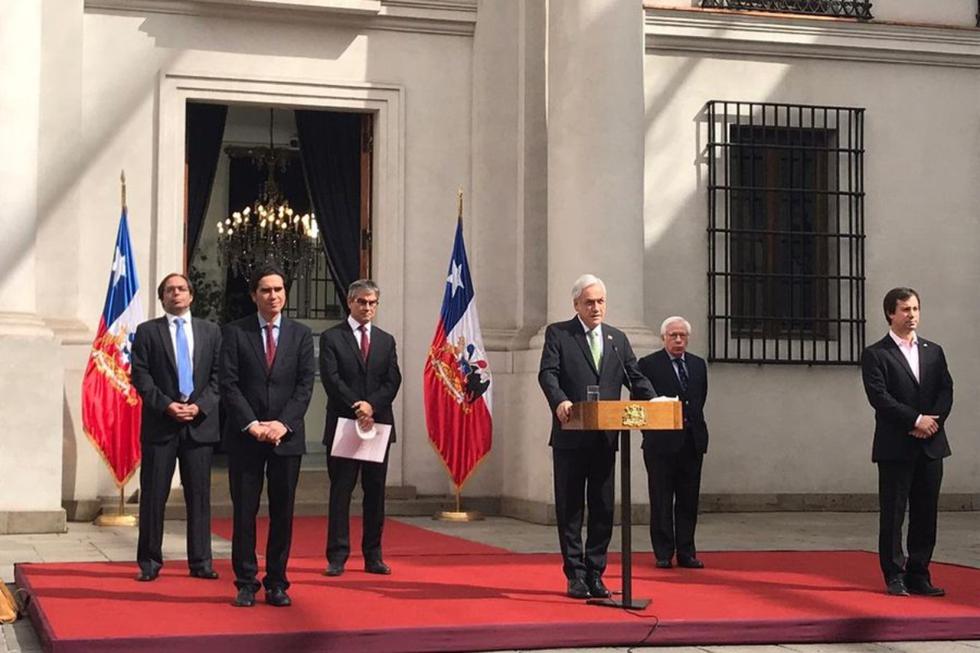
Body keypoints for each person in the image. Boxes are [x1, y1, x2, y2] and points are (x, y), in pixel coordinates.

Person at [538, 274, 655, 599]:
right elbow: (548, 372)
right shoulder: (559, 333)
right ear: (576, 304)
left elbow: (635, 376)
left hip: (605, 437)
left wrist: (656, 401)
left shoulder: (617, 339)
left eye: (601, 301)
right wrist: (560, 400)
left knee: (603, 508)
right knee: (571, 507)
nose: (596, 307)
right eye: (589, 302)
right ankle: (575, 575)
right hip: (571, 435)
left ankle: (596, 573)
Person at [220, 264, 315, 608]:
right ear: (254, 296)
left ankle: (277, 582)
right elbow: (228, 384)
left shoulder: (301, 334)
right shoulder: (234, 333)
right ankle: (246, 582)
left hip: (286, 439)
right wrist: (253, 424)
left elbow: (305, 386)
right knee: (244, 512)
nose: (273, 296)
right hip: (246, 437)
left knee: (282, 513)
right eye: (265, 290)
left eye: (278, 290)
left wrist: (282, 424)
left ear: (285, 293)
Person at [861, 287, 953, 597]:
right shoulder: (876, 354)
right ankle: (894, 575)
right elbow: (880, 398)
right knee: (894, 512)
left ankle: (919, 573)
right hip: (895, 446)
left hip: (930, 444)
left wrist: (932, 423)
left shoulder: (934, 351)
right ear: (890, 313)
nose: (911, 315)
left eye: (915, 309)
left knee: (926, 513)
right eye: (905, 310)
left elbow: (945, 390)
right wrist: (915, 420)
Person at [131, 273, 221, 582]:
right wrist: (167, 404)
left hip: (199, 426)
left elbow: (219, 377)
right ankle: (150, 563)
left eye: (181, 289)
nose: (176, 294)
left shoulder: (211, 332)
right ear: (162, 298)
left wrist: (200, 406)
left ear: (191, 295)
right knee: (154, 496)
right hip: (161, 425)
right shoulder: (147, 332)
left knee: (199, 496)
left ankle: (201, 562)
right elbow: (140, 376)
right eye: (169, 290)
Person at [319, 279, 402, 577]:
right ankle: (337, 556)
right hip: (344, 423)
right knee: (341, 491)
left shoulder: (385, 340)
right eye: (362, 302)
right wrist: (357, 406)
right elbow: (331, 379)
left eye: (372, 303)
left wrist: (372, 406)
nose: (367, 307)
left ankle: (373, 555)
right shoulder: (332, 337)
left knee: (375, 492)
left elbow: (393, 380)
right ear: (350, 303)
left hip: (377, 425)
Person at [637, 316, 708, 570]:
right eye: (673, 336)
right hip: (661, 444)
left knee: (688, 500)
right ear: (663, 338)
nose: (678, 340)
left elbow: (700, 400)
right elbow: (642, 402)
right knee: (662, 499)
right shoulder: (648, 365)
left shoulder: (698, 365)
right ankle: (664, 552)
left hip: (691, 442)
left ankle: (686, 551)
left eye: (682, 336)